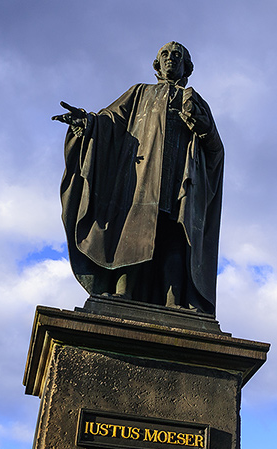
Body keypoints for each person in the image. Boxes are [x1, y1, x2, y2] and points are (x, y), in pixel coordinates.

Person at [53, 41, 223, 315]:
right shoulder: (140, 93)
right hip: (142, 179)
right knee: (135, 229)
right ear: (157, 64)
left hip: (181, 182)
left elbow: (216, 150)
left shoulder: (196, 101)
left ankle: (174, 303)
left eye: (177, 56)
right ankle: (123, 292)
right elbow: (111, 121)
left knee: (174, 236)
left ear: (187, 66)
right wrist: (87, 123)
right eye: (165, 55)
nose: (171, 59)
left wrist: (202, 127)